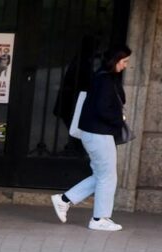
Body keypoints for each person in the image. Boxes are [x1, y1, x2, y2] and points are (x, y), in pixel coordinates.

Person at [52, 45, 132, 231]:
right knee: (108, 177)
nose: (126, 65)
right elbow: (102, 109)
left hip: (96, 134)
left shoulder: (104, 77)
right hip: (99, 134)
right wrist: (119, 119)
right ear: (115, 60)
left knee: (102, 175)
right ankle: (99, 219)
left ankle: (64, 199)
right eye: (124, 61)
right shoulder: (104, 80)